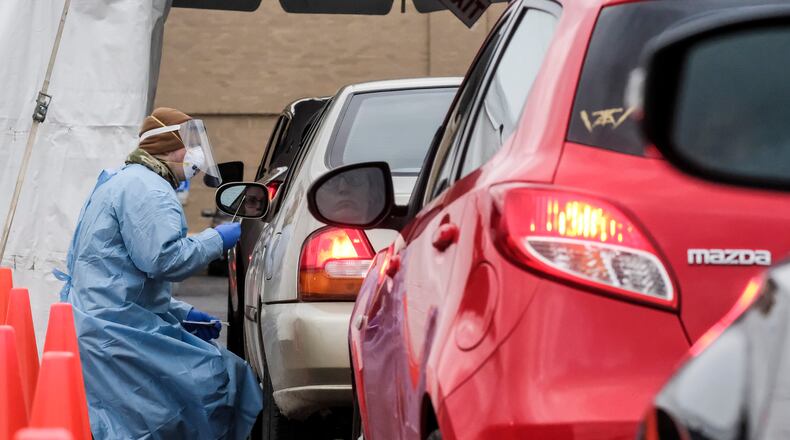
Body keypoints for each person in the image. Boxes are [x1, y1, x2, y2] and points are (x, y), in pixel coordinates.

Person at [56, 107, 262, 439]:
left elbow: (117, 271)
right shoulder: (149, 190)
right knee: (215, 381)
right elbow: (163, 260)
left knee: (124, 419)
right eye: (187, 145)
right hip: (120, 332)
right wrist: (216, 239)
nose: (194, 155)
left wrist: (179, 312)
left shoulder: (123, 180)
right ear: (168, 147)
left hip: (104, 324)